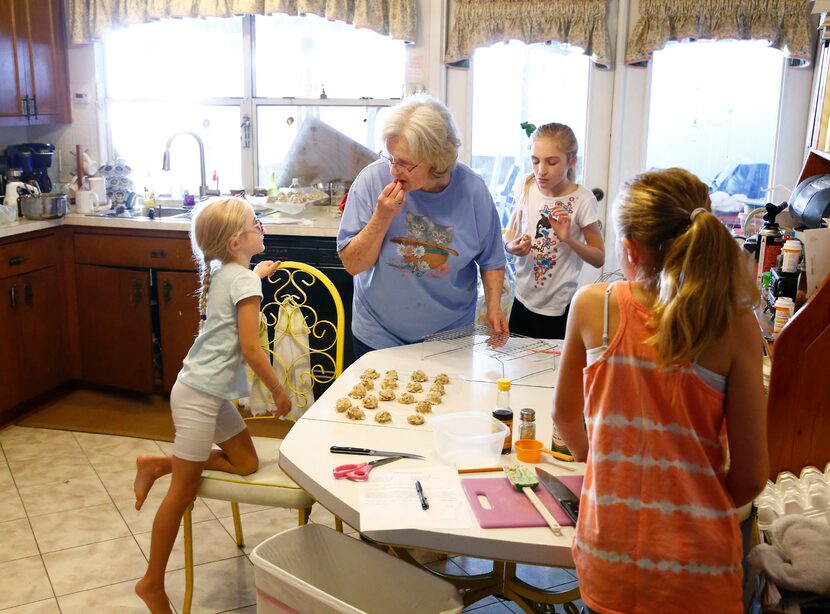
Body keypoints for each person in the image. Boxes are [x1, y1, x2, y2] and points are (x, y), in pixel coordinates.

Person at [553, 168, 768, 613]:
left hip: (608, 556)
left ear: (629, 250)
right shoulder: (735, 325)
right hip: (699, 568)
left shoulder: (596, 307)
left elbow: (564, 417)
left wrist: (603, 467)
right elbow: (750, 476)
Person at [132, 198, 291, 613]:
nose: (262, 226)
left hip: (205, 392)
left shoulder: (230, 272)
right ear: (238, 240)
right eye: (256, 223)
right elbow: (252, 349)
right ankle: (151, 583)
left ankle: (158, 463)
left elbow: (240, 285)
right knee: (181, 493)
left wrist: (256, 272)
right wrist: (278, 390)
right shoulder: (244, 282)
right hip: (199, 397)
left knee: (246, 464)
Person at [337, 93, 508, 358]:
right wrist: (381, 217)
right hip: (379, 334)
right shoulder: (372, 180)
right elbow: (352, 264)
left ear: (436, 159)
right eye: (390, 157)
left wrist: (494, 306)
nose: (394, 170)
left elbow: (492, 259)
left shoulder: (473, 192)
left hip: (449, 338)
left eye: (404, 163)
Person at [503, 122, 604, 340]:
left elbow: (599, 258)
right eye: (535, 161)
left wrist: (569, 239)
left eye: (552, 162)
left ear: (571, 161)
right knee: (517, 369)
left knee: (550, 371)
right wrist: (511, 246)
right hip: (521, 300)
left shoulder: (583, 200)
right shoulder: (526, 185)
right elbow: (510, 231)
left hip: (557, 309)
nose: (541, 170)